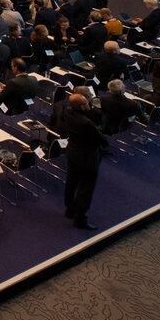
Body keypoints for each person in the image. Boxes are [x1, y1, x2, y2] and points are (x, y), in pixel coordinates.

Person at [56, 92, 108, 229]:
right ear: (80, 106)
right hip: (88, 158)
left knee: (71, 182)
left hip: (72, 153)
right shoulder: (86, 123)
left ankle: (70, 209)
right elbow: (102, 140)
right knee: (86, 188)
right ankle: (80, 218)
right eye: (85, 103)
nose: (88, 105)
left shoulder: (67, 111)